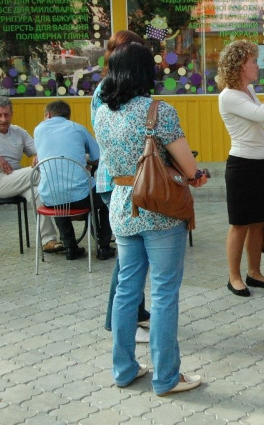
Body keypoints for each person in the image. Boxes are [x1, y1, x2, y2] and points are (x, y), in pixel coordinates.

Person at [93, 42, 207, 396]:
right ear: (146, 71)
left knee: (126, 291)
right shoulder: (159, 111)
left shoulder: (102, 113)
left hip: (122, 207)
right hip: (160, 210)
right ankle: (167, 377)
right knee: (164, 293)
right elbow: (188, 167)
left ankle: (124, 370)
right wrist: (196, 176)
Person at [91, 30, 151, 344]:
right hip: (116, 180)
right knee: (128, 260)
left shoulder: (116, 86)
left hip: (125, 179)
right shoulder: (108, 88)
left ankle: (134, 313)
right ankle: (117, 322)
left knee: (134, 256)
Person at [217, 40, 264, 297]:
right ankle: (233, 277)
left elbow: (258, 131)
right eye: (253, 61)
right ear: (239, 66)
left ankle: (254, 272)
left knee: (258, 222)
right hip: (242, 166)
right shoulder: (229, 96)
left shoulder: (248, 90)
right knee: (240, 224)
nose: (257, 65)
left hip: (260, 164)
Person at [0, 96, 62, 253]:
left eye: (6, 115)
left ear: (12, 114)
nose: (3, 119)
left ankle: (48, 240)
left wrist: (38, 155)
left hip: (17, 179)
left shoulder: (18, 132)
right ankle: (67, 192)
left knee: (38, 192)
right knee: (36, 173)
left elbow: (38, 150)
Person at [34, 100, 115, 261]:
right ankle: (104, 246)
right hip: (81, 198)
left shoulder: (38, 130)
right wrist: (83, 161)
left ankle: (70, 247)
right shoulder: (77, 129)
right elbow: (98, 157)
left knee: (58, 193)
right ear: (68, 116)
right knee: (108, 195)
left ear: (48, 115)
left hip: (49, 198)